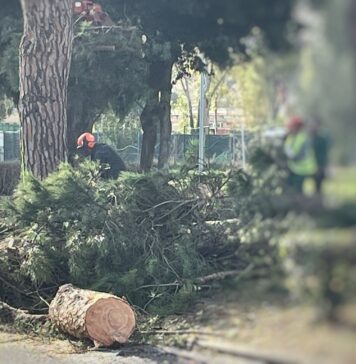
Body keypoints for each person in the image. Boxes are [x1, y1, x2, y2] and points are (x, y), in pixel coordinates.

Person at [284, 116, 317, 193]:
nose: (289, 129)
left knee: (300, 192)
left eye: (291, 127)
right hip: (295, 169)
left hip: (304, 171)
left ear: (296, 128)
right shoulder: (290, 138)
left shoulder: (303, 138)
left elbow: (299, 156)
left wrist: (290, 155)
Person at [311, 118, 330, 195]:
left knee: (318, 186)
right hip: (310, 165)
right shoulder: (310, 137)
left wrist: (321, 166)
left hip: (319, 165)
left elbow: (323, 154)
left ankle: (318, 202)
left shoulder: (322, 139)